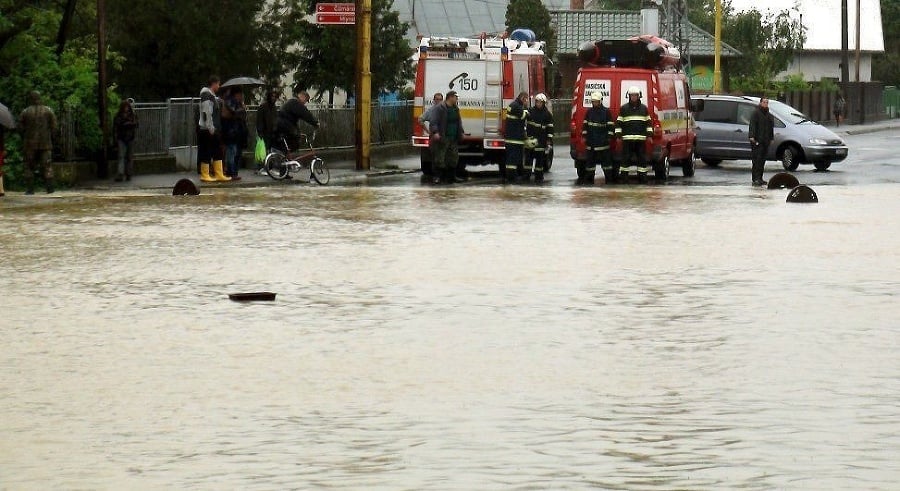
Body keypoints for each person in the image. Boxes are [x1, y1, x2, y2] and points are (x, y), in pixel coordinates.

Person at [18, 90, 57, 194]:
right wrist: (51, 138)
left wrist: (25, 136)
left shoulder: (25, 112)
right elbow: (54, 127)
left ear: (31, 98)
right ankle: (50, 188)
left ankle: (30, 189)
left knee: (28, 166)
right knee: (47, 165)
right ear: (40, 98)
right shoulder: (49, 111)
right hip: (46, 143)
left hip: (30, 143)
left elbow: (20, 128)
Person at [615, 86, 653, 182]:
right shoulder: (624, 108)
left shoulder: (644, 109)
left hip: (640, 139)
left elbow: (648, 123)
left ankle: (642, 177)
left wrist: (649, 135)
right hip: (627, 139)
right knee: (625, 159)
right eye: (632, 95)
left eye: (635, 95)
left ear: (639, 96)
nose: (633, 97)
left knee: (642, 159)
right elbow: (619, 123)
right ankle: (624, 177)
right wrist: (618, 136)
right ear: (629, 96)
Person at [427, 90, 465, 184]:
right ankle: (437, 177)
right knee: (440, 158)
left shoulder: (455, 108)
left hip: (453, 137)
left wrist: (461, 132)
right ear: (450, 97)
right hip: (443, 137)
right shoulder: (440, 108)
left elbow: (458, 121)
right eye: (455, 97)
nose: (456, 99)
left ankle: (452, 177)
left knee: (453, 158)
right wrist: (435, 132)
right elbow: (434, 121)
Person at [198, 76, 229, 182]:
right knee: (206, 151)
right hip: (207, 129)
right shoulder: (206, 95)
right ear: (214, 84)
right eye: (218, 84)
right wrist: (210, 127)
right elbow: (207, 112)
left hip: (213, 128)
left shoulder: (211, 96)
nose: (219, 86)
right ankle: (205, 174)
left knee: (217, 150)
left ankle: (218, 173)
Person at [581, 91, 614, 185]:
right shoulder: (589, 112)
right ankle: (589, 180)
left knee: (606, 164)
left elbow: (610, 126)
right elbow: (585, 125)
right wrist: (584, 136)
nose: (595, 103)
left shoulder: (606, 112)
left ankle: (609, 180)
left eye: (596, 101)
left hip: (603, 143)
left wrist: (608, 138)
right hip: (591, 143)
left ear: (600, 101)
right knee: (590, 164)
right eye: (593, 101)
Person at [276, 87, 319, 153]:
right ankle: (284, 154)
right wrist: (315, 123)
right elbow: (306, 114)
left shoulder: (292, 101)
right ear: (303, 97)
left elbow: (294, 120)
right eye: (306, 100)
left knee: (293, 138)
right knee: (296, 139)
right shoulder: (296, 102)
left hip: (282, 124)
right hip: (284, 125)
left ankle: (284, 155)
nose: (305, 103)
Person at [525, 93, 554, 183]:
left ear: (544, 103)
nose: (538, 104)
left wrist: (549, 140)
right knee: (528, 161)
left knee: (540, 162)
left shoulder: (547, 115)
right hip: (530, 140)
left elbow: (550, 128)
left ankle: (539, 177)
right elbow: (525, 123)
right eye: (537, 102)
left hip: (541, 140)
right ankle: (526, 176)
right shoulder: (530, 111)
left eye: (540, 102)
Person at [222, 87, 248, 180]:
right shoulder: (230, 101)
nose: (242, 96)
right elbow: (234, 113)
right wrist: (241, 109)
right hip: (231, 131)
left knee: (236, 152)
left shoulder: (237, 102)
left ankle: (233, 172)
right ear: (237, 94)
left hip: (236, 131)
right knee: (232, 152)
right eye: (241, 94)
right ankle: (231, 172)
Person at [748, 97, 775, 187]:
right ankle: (755, 178)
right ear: (760, 103)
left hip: (765, 141)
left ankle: (760, 178)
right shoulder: (756, 113)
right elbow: (752, 125)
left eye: (767, 102)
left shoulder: (768, 115)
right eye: (764, 102)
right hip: (757, 140)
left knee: (762, 160)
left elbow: (771, 127)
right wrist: (752, 136)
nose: (765, 104)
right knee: (757, 160)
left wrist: (771, 138)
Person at [503, 91, 529, 182]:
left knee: (513, 159)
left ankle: (513, 175)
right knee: (512, 161)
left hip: (512, 138)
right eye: (526, 99)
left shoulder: (513, 105)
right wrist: (526, 110)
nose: (527, 101)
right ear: (523, 98)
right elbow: (522, 116)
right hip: (515, 138)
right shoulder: (517, 106)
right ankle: (511, 177)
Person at [113, 99, 138, 182]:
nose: (126, 109)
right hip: (122, 138)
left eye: (127, 107)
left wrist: (128, 124)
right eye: (124, 107)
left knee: (129, 157)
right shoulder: (119, 115)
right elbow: (117, 125)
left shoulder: (132, 115)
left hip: (130, 138)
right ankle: (120, 174)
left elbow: (136, 124)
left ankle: (128, 173)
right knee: (121, 156)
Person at [256, 89, 279, 171]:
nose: (274, 98)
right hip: (264, 132)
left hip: (272, 132)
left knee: (270, 150)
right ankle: (262, 167)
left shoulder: (274, 107)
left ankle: (269, 167)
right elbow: (259, 120)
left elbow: (275, 119)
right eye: (272, 96)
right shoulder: (263, 107)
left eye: (275, 97)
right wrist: (260, 131)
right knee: (263, 150)